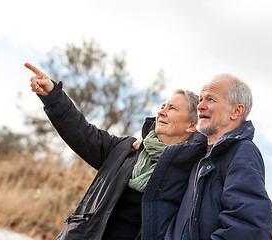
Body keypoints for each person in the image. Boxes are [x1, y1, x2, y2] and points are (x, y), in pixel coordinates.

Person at [24, 63, 207, 240]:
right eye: (162, 107)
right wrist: (53, 96)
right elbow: (82, 133)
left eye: (172, 108)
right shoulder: (126, 149)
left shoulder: (192, 170)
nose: (161, 113)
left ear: (192, 125)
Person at [164, 74, 272, 239]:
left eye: (210, 99)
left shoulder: (242, 152)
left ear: (236, 111)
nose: (200, 106)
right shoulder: (197, 152)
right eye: (201, 99)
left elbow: (249, 226)